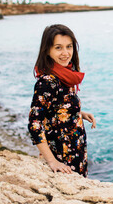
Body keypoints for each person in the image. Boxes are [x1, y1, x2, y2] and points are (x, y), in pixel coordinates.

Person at [28, 24, 96, 177]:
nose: (65, 53)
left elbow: (56, 108)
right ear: (48, 50)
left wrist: (79, 113)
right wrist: (52, 161)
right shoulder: (47, 82)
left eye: (69, 47)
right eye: (58, 48)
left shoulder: (66, 76)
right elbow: (34, 124)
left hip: (76, 153)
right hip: (61, 159)